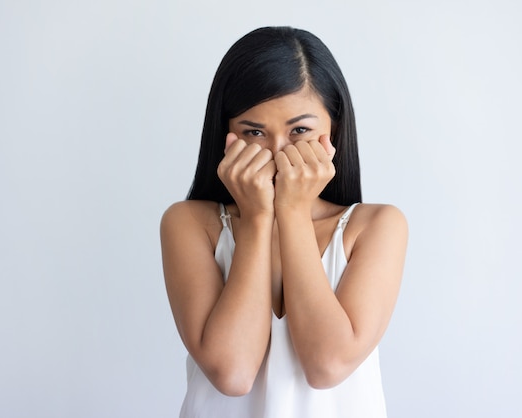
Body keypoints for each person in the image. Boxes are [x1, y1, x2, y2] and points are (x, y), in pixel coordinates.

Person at [160, 26, 408, 418]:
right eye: (254, 132)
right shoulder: (190, 223)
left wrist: (292, 211)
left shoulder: (377, 226)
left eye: (300, 131)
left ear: (334, 131)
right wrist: (259, 216)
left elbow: (327, 365)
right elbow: (233, 374)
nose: (277, 154)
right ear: (226, 135)